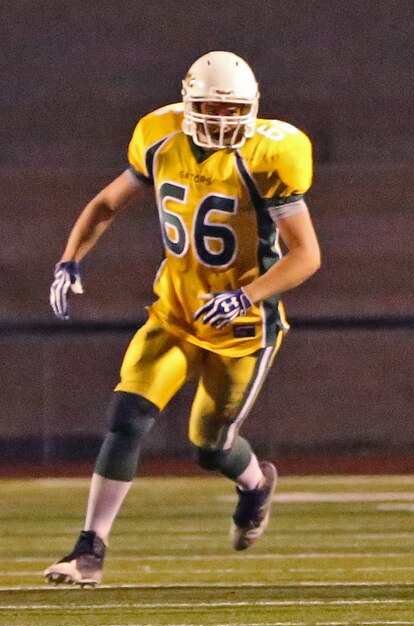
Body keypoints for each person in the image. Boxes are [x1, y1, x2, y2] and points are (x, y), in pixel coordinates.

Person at [44, 51, 320, 586]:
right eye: (211, 108)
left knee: (209, 446)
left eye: (233, 109)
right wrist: (69, 257)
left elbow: (306, 255)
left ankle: (256, 484)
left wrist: (246, 296)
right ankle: (89, 551)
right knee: (127, 418)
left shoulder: (271, 155)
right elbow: (106, 203)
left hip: (241, 331)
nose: (222, 121)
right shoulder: (160, 136)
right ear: (188, 102)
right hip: (174, 313)